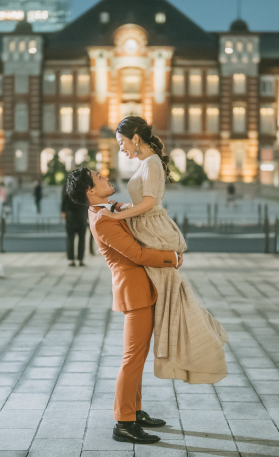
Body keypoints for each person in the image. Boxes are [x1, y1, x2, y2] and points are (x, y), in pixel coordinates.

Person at [98, 116, 228, 385]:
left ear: (135, 138)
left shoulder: (153, 163)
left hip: (153, 231)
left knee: (173, 298)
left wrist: (117, 217)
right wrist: (120, 206)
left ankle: (202, 342)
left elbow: (148, 204)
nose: (121, 148)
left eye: (122, 142)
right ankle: (193, 342)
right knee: (172, 298)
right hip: (147, 227)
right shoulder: (147, 162)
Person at [66, 167, 180, 445]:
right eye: (99, 177)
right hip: (135, 293)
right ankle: (124, 422)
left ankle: (135, 411)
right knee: (132, 358)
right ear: (90, 191)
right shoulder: (102, 220)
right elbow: (137, 254)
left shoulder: (110, 209)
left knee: (137, 358)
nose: (106, 177)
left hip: (142, 289)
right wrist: (173, 257)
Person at [61, 182, 88, 266]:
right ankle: (80, 259)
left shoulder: (67, 186)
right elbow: (88, 202)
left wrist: (63, 211)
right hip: (81, 216)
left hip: (71, 216)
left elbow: (64, 200)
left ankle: (72, 260)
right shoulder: (84, 187)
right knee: (82, 238)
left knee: (70, 238)